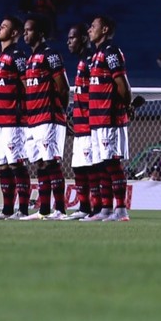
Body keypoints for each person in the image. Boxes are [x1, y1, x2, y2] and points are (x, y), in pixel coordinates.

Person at [82, 15, 132, 222]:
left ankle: (121, 210)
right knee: (101, 165)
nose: (89, 30)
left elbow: (122, 84)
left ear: (105, 30)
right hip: (96, 120)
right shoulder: (95, 55)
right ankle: (106, 209)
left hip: (108, 119)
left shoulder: (111, 52)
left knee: (112, 163)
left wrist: (125, 106)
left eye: (93, 26)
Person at [20, 14, 70, 221]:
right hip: (33, 120)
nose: (25, 34)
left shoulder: (50, 55)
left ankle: (60, 210)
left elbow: (63, 87)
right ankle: (44, 210)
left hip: (49, 118)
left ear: (40, 33)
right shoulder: (30, 58)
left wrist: (61, 113)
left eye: (29, 30)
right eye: (24, 30)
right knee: (40, 163)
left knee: (51, 163)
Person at [0, 16, 31, 220]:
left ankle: (22, 210)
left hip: (14, 120)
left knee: (16, 164)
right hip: (0, 121)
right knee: (3, 166)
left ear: (14, 34)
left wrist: (22, 110)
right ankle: (6, 210)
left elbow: (26, 85)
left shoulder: (18, 55)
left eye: (3, 27)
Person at [63, 23, 101, 221]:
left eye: (73, 38)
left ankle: (96, 208)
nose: (69, 42)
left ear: (84, 39)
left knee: (89, 167)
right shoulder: (82, 62)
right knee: (78, 167)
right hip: (79, 125)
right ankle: (84, 207)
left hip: (88, 125)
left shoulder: (90, 61)